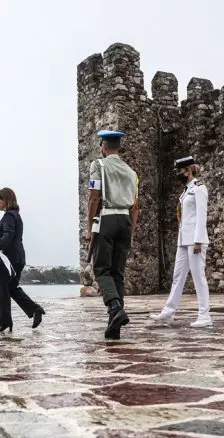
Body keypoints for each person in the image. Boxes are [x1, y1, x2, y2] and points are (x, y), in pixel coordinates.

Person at [86, 130, 139, 340]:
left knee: (101, 269)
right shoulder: (131, 172)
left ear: (104, 146)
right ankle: (114, 325)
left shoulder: (98, 165)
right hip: (125, 221)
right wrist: (130, 230)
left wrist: (90, 227)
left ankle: (115, 308)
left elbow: (93, 197)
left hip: (107, 218)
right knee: (118, 272)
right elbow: (135, 206)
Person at [151, 156, 212, 327]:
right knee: (178, 276)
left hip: (195, 240)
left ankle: (204, 316)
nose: (178, 174)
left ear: (189, 170)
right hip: (183, 240)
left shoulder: (199, 188)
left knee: (198, 277)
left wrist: (199, 240)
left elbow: (201, 215)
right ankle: (168, 312)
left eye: (180, 171)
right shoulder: (186, 190)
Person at [0, 187, 45, 332]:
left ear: (5, 200)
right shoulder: (15, 215)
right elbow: (8, 235)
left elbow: (8, 235)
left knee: (3, 289)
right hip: (17, 258)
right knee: (12, 288)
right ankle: (35, 309)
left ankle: (5, 322)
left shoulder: (9, 216)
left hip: (8, 260)